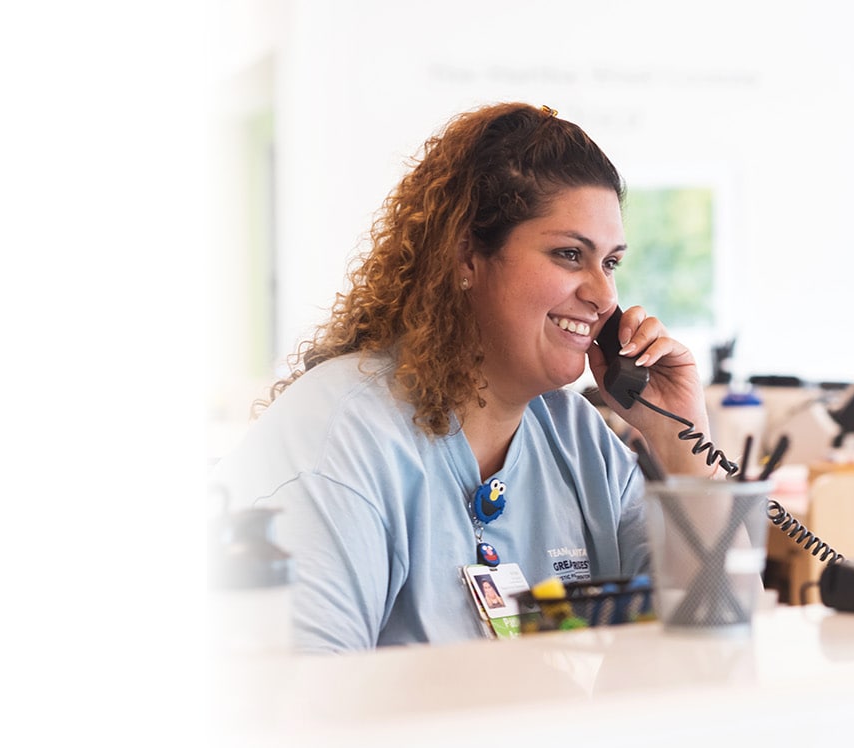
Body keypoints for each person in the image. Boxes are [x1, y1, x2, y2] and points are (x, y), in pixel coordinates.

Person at [210, 102, 720, 653]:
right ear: (466, 258)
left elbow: (715, 644)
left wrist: (683, 442)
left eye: (611, 263)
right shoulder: (339, 440)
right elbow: (303, 708)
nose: (604, 297)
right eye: (570, 255)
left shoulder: (581, 442)